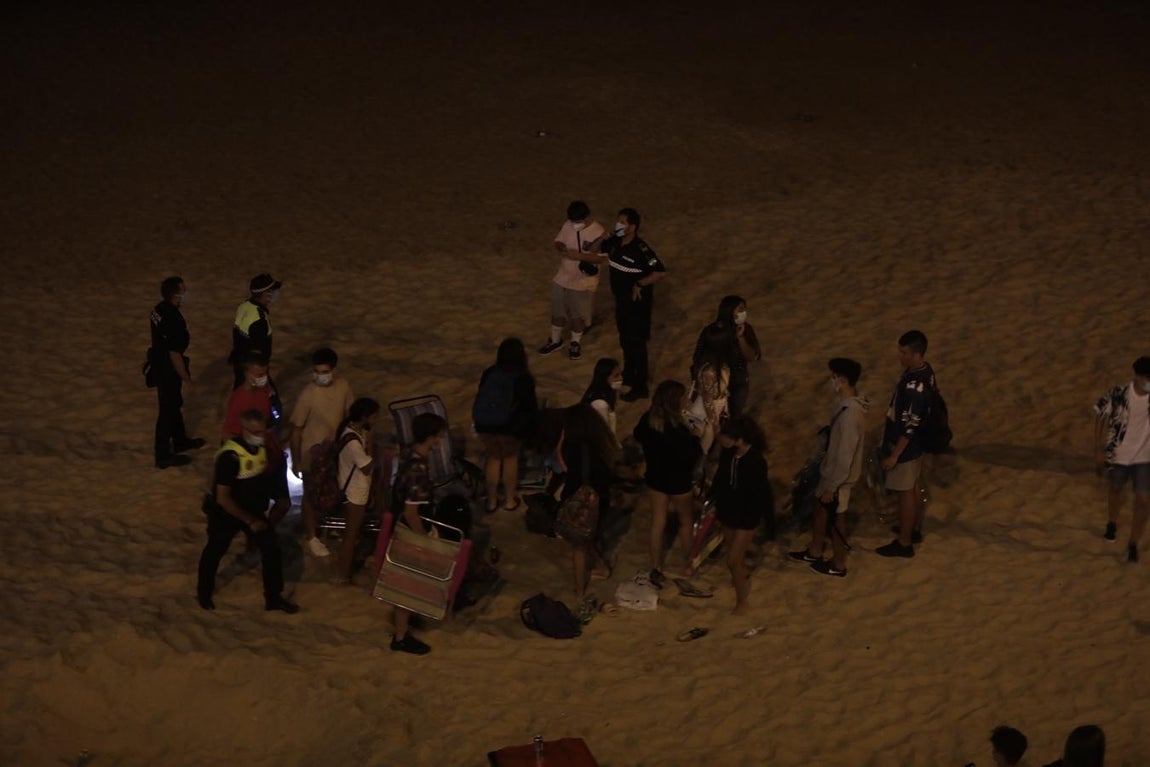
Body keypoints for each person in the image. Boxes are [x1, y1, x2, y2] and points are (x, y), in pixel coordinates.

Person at [196, 409, 299, 613]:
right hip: (226, 513)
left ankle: (273, 598)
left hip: (251, 509)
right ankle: (204, 593)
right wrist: (251, 521)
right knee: (215, 551)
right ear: (244, 429)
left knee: (271, 549)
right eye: (255, 431)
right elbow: (223, 498)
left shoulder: (261, 449)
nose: (260, 436)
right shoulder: (230, 456)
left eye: (263, 431)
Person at [788, 358, 868, 577]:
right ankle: (815, 551)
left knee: (836, 518)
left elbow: (845, 456)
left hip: (838, 478)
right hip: (830, 471)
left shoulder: (850, 414)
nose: (832, 381)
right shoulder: (844, 406)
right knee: (821, 509)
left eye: (834, 377)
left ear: (842, 380)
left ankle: (839, 563)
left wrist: (832, 486)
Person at [388, 412, 449, 655]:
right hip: (409, 529)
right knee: (408, 585)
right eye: (439, 435)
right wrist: (423, 540)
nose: (441, 439)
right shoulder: (418, 468)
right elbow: (411, 512)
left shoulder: (409, 453)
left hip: (401, 525)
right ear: (431, 437)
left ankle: (405, 623)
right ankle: (400, 637)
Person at [633, 380, 703, 585]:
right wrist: (696, 438)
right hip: (679, 482)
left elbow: (638, 435)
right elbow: (691, 456)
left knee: (657, 522)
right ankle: (688, 563)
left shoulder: (648, 420)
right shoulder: (678, 431)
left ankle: (656, 565)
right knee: (685, 522)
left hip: (656, 479)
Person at [289, 347, 355, 557]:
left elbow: (349, 416)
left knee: (334, 490)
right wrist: (297, 461)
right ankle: (312, 536)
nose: (320, 376)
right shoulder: (308, 394)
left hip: (334, 452)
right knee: (310, 494)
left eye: (324, 371)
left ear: (333, 369)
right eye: (317, 371)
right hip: (312, 454)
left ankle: (329, 525)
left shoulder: (343, 387)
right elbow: (296, 431)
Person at [876, 330, 936, 558]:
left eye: (904, 353)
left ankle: (904, 542)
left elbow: (910, 426)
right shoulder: (925, 371)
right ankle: (911, 529)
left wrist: (894, 455)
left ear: (916, 354)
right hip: (917, 445)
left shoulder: (915, 387)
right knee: (911, 486)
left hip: (907, 447)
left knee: (905, 492)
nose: (900, 356)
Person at [602, 207, 666, 401]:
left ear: (632, 227)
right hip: (620, 301)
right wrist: (604, 236)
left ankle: (640, 386)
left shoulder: (641, 249)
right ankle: (629, 374)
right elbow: (596, 249)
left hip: (637, 305)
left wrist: (640, 283)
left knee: (637, 344)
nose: (618, 225)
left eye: (622, 222)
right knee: (625, 340)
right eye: (617, 221)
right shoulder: (614, 242)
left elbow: (660, 271)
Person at [710, 416, 773, 614]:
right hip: (728, 512)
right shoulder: (729, 454)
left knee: (733, 560)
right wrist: (712, 500)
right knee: (734, 556)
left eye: (724, 435)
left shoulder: (755, 460)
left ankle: (742, 602)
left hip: (746, 517)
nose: (720, 439)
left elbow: (761, 493)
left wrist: (763, 521)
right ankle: (739, 581)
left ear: (736, 437)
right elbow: (720, 479)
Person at [557, 404, 617, 602]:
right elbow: (605, 475)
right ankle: (602, 566)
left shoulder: (570, 446)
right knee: (591, 535)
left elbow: (564, 467)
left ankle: (580, 590)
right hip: (600, 498)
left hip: (577, 497)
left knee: (578, 547)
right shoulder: (601, 445)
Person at [473, 338, 539, 513]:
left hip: (485, 425)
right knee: (510, 458)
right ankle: (510, 500)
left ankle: (492, 501)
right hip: (508, 426)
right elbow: (530, 408)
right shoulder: (523, 377)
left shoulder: (490, 372)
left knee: (494, 458)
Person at [1094, 355, 1150, 562]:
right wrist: (1099, 448)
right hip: (1119, 455)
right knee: (1116, 489)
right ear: (1137, 376)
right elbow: (1100, 414)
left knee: (1143, 501)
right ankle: (1112, 521)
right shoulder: (1118, 394)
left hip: (1144, 457)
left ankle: (1133, 543)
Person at [539, 200, 607, 360]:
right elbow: (558, 240)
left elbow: (601, 259)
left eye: (578, 221)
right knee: (557, 311)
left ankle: (575, 343)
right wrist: (561, 247)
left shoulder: (598, 231)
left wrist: (579, 256)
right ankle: (555, 341)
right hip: (563, 276)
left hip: (582, 282)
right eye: (573, 221)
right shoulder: (568, 224)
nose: (575, 224)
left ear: (587, 216)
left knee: (577, 316)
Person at [149, 276, 204, 468]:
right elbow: (175, 354)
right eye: (183, 291)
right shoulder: (174, 320)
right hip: (168, 369)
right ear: (175, 295)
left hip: (158, 362)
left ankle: (180, 441)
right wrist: (186, 378)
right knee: (167, 411)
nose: (186, 294)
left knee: (173, 404)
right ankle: (162, 455)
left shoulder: (158, 309)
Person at [331, 398, 379, 585]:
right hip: (354, 492)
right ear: (365, 417)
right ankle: (343, 575)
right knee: (351, 535)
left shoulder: (357, 431)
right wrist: (374, 453)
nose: (376, 420)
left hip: (357, 489)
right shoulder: (352, 442)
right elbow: (366, 467)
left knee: (353, 534)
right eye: (374, 417)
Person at [691, 295, 762, 420]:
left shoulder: (746, 329)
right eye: (740, 309)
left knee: (733, 416)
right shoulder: (711, 331)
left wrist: (741, 338)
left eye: (744, 309)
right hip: (715, 380)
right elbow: (698, 356)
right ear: (729, 310)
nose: (743, 312)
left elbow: (752, 356)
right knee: (713, 416)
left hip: (738, 379)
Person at [230, 273, 282, 388]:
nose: (275, 294)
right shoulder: (259, 320)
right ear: (264, 294)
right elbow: (256, 352)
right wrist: (260, 376)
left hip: (240, 361)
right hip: (253, 369)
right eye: (272, 291)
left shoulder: (244, 306)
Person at [690, 324, 734, 454]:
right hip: (705, 414)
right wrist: (716, 426)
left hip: (715, 409)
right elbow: (707, 400)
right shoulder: (709, 371)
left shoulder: (719, 364)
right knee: (701, 450)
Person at [581, 357, 623, 437]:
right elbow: (602, 432)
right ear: (605, 377)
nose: (621, 378)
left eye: (620, 374)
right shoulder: (600, 404)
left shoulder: (609, 390)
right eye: (616, 375)